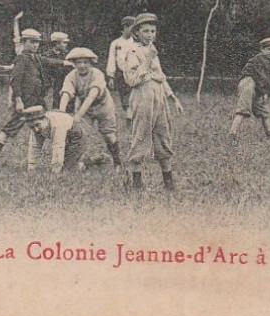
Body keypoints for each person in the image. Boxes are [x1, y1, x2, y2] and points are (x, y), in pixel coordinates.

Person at [120, 13, 180, 191]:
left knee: (163, 134)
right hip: (142, 96)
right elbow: (132, 80)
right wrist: (146, 60)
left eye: (152, 31)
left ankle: (168, 181)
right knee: (141, 135)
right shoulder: (132, 52)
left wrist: (172, 97)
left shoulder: (152, 49)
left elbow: (160, 75)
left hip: (158, 96)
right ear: (136, 33)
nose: (149, 34)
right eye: (145, 31)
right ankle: (137, 182)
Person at [58, 47, 122, 168]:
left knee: (108, 135)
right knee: (81, 133)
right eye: (78, 62)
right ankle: (83, 161)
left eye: (85, 62)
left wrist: (78, 115)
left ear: (91, 63)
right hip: (83, 105)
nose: (82, 65)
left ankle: (117, 162)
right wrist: (61, 113)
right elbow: (66, 93)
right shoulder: (71, 76)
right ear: (74, 64)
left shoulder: (97, 74)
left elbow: (92, 96)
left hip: (103, 105)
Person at [0, 33, 49, 156]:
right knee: (16, 122)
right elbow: (15, 80)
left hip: (37, 97)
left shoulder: (35, 58)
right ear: (23, 43)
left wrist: (65, 63)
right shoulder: (21, 58)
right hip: (25, 99)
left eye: (37, 42)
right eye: (32, 42)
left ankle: (40, 147)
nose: (35, 45)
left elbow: (49, 61)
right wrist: (18, 100)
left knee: (43, 120)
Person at [231, 37, 270, 138]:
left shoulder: (266, 62)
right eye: (269, 49)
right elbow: (262, 78)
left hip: (256, 87)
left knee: (264, 111)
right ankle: (233, 132)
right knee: (243, 109)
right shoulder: (258, 60)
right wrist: (265, 93)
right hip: (248, 84)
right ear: (262, 49)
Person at [105, 15, 138, 100]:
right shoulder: (116, 43)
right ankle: (128, 112)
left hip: (134, 73)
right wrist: (111, 77)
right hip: (121, 75)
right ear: (125, 27)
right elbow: (111, 60)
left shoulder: (136, 42)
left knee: (135, 97)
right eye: (132, 28)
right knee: (124, 98)